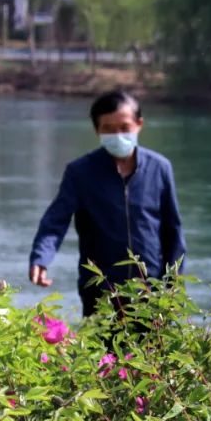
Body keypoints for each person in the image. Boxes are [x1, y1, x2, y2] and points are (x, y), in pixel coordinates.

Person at [28, 90, 186, 317]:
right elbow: (55, 222)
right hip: (100, 293)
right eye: (109, 129)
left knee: (154, 341)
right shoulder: (80, 172)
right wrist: (41, 258)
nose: (118, 135)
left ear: (139, 124)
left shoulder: (159, 168)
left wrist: (174, 286)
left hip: (152, 292)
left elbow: (173, 231)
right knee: (101, 340)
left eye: (124, 127)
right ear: (97, 130)